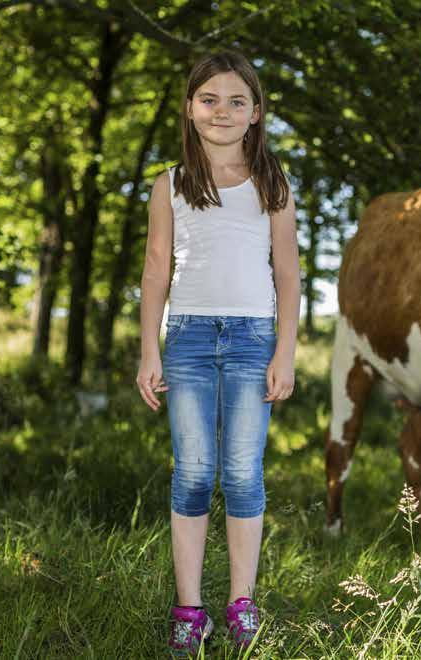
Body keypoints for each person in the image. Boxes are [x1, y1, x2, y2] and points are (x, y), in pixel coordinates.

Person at [136, 51, 299, 655]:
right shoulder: (171, 185)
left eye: (237, 101)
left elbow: (288, 274)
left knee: (243, 473)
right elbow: (156, 271)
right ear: (189, 108)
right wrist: (148, 349)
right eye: (210, 99)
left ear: (256, 113)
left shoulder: (272, 184)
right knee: (195, 473)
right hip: (189, 341)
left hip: (254, 339)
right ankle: (189, 610)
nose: (222, 111)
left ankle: (241, 603)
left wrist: (285, 352)